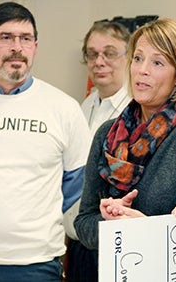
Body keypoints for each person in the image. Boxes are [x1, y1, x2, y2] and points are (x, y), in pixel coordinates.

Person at [74, 16, 176, 258]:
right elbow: (84, 223)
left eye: (158, 63)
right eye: (138, 58)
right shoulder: (107, 134)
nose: (142, 70)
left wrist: (147, 230)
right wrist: (111, 223)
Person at [0, 2, 91, 281]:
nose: (17, 47)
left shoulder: (63, 108)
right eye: (6, 37)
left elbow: (77, 185)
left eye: (25, 38)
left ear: (35, 47)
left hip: (37, 263)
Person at [63, 21, 132, 282]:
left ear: (129, 56)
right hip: (79, 241)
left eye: (110, 53)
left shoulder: (137, 112)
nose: (99, 61)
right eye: (92, 54)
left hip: (115, 244)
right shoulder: (83, 106)